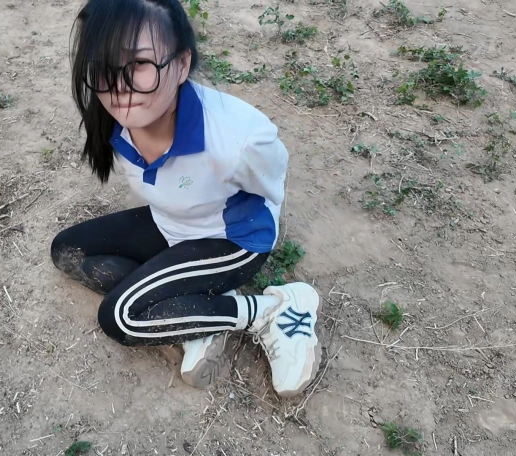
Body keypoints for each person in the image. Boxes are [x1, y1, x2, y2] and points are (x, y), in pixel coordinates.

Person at [50, 0, 321, 397]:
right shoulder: (113, 117)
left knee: (120, 318)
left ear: (181, 64)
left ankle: (270, 311)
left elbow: (268, 188)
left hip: (230, 239)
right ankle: (196, 310)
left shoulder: (239, 140)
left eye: (139, 63)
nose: (119, 85)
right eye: (104, 65)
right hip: (170, 223)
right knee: (67, 251)